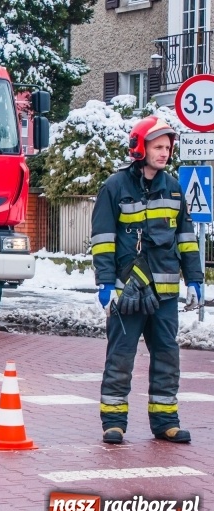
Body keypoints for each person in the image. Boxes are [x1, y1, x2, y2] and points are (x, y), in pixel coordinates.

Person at [91, 116, 203, 445]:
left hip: (165, 294)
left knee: (167, 355)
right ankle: (114, 422)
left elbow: (185, 238)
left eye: (168, 147)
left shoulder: (173, 188)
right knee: (121, 357)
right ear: (141, 148)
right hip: (128, 292)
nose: (164, 153)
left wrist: (195, 279)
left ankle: (166, 421)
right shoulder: (114, 187)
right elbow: (103, 239)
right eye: (158, 147)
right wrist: (106, 283)